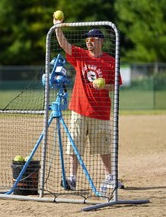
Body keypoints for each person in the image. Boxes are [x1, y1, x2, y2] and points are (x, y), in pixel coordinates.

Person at [52, 13, 124, 192]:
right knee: (74, 144)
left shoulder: (110, 61)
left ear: (100, 41)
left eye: (92, 39)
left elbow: (117, 86)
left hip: (100, 111)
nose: (88, 42)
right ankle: (72, 178)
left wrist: (104, 86)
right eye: (86, 39)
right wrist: (57, 27)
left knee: (103, 147)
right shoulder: (81, 55)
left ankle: (110, 177)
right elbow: (63, 44)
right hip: (79, 109)